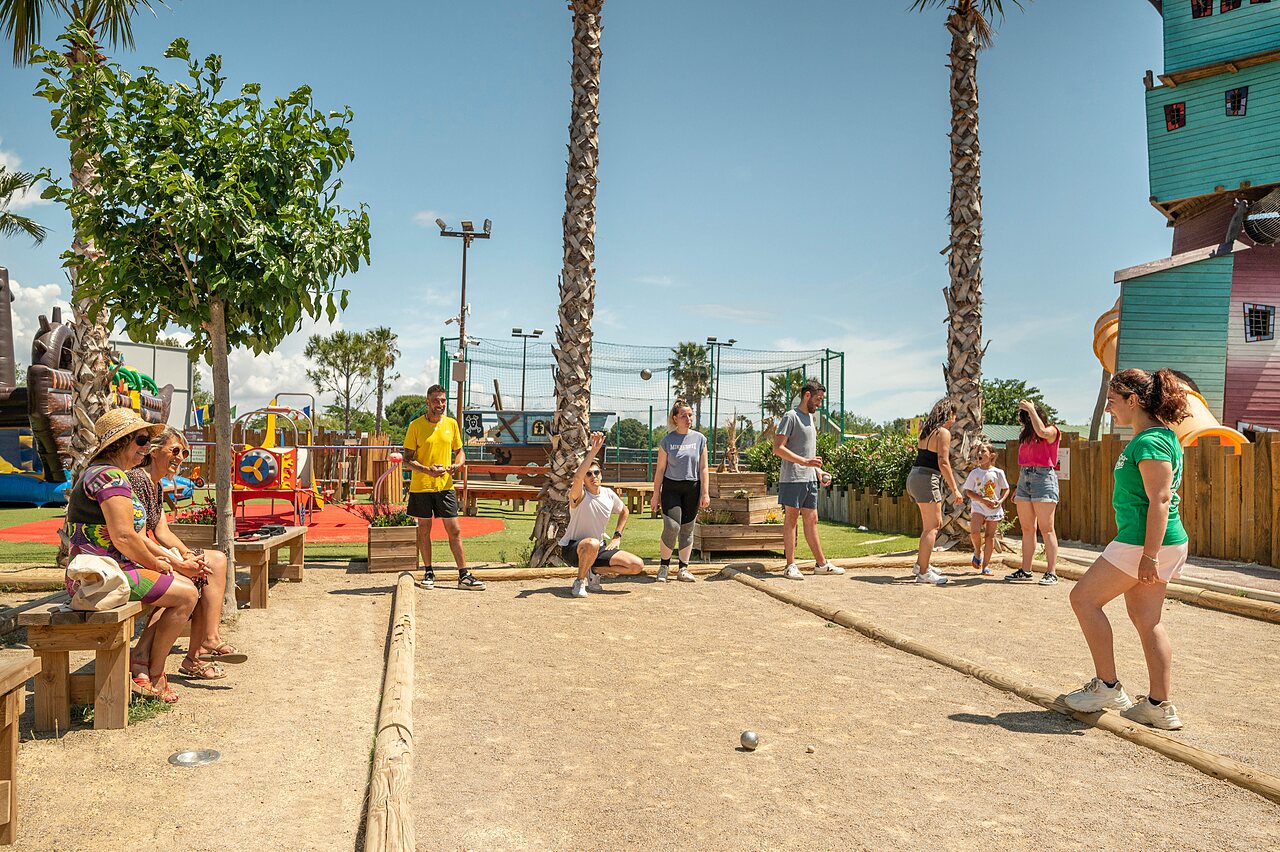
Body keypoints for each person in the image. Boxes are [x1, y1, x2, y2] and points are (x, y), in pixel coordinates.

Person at [1062, 368, 1191, 730]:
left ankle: (1107, 687)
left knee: (1083, 599)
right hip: (1155, 542)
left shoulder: (1150, 441)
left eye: (1112, 400)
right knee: (1148, 621)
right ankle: (1158, 706)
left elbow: (1161, 499)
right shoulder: (1158, 437)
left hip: (1142, 542)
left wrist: (1149, 555)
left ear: (1133, 400)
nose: (1108, 408)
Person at [64, 409, 199, 703]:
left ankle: (144, 664)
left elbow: (133, 536)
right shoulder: (110, 477)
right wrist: (158, 563)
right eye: (140, 440)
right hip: (103, 575)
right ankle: (155, 673)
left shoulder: (103, 473)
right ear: (121, 442)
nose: (145, 447)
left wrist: (165, 563)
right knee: (187, 594)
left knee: (180, 584)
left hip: (102, 571)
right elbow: (124, 536)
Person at [127, 427, 243, 684]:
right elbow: (137, 535)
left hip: (148, 551)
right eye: (175, 451)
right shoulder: (138, 479)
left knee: (215, 560)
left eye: (184, 452)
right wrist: (181, 561)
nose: (180, 457)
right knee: (196, 576)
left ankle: (208, 640)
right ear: (155, 452)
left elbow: (161, 529)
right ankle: (196, 654)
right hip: (138, 556)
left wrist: (187, 553)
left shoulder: (156, 484)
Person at [403, 385, 484, 591]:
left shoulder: (452, 424)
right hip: (421, 486)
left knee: (454, 529)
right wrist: (427, 470)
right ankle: (429, 572)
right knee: (424, 529)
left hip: (445, 486)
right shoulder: (415, 426)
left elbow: (460, 451)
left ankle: (463, 575)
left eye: (443, 401)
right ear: (427, 402)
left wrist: (457, 465)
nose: (440, 404)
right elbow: (407, 459)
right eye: (436, 401)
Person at [772, 379, 844, 580]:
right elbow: (778, 448)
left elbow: (808, 453)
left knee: (812, 519)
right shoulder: (790, 417)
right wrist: (805, 462)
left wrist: (818, 471)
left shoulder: (811, 419)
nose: (820, 403)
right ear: (807, 395)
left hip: (809, 478)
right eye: (818, 399)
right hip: (792, 479)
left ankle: (821, 564)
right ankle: (790, 565)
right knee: (791, 519)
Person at [562, 431, 645, 597]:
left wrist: (617, 535)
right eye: (589, 474)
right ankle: (580, 582)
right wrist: (594, 451)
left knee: (637, 565)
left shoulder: (608, 494)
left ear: (601, 475)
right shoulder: (580, 495)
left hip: (598, 549)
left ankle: (594, 570)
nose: (593, 476)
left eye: (596, 473)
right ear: (584, 479)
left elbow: (624, 510)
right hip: (572, 548)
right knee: (591, 543)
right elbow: (577, 478)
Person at [905, 398, 963, 586]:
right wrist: (955, 489)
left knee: (931, 525)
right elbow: (943, 462)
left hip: (915, 476)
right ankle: (923, 574)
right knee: (933, 527)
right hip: (927, 478)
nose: (955, 419)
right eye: (954, 415)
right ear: (949, 414)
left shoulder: (926, 432)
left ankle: (921, 564)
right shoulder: (943, 432)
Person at [1005, 400, 1063, 585]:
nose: (1024, 421)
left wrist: (1030, 408)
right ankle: (1026, 569)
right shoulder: (1026, 435)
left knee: (1047, 529)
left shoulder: (1052, 430)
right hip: (1025, 478)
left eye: (1027, 417)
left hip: (1044, 478)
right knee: (1027, 529)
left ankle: (1051, 572)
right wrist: (1018, 487)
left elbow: (1042, 432)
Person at [651, 400, 709, 583]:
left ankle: (683, 568)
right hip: (671, 488)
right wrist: (655, 495)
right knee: (672, 526)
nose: (688, 418)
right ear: (675, 418)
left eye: (690, 415)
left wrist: (705, 493)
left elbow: (704, 468)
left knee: (687, 529)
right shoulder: (667, 440)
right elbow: (660, 470)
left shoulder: (700, 439)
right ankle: (664, 566)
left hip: (692, 488)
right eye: (684, 415)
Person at [962, 442, 1009, 576]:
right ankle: (977, 551)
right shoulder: (974, 473)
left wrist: (999, 501)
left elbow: (1006, 489)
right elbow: (969, 492)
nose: (979, 454)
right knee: (975, 532)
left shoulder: (998, 473)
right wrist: (982, 500)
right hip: (978, 506)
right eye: (978, 452)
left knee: (990, 537)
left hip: (993, 509)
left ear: (992, 455)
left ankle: (986, 566)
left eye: (983, 451)